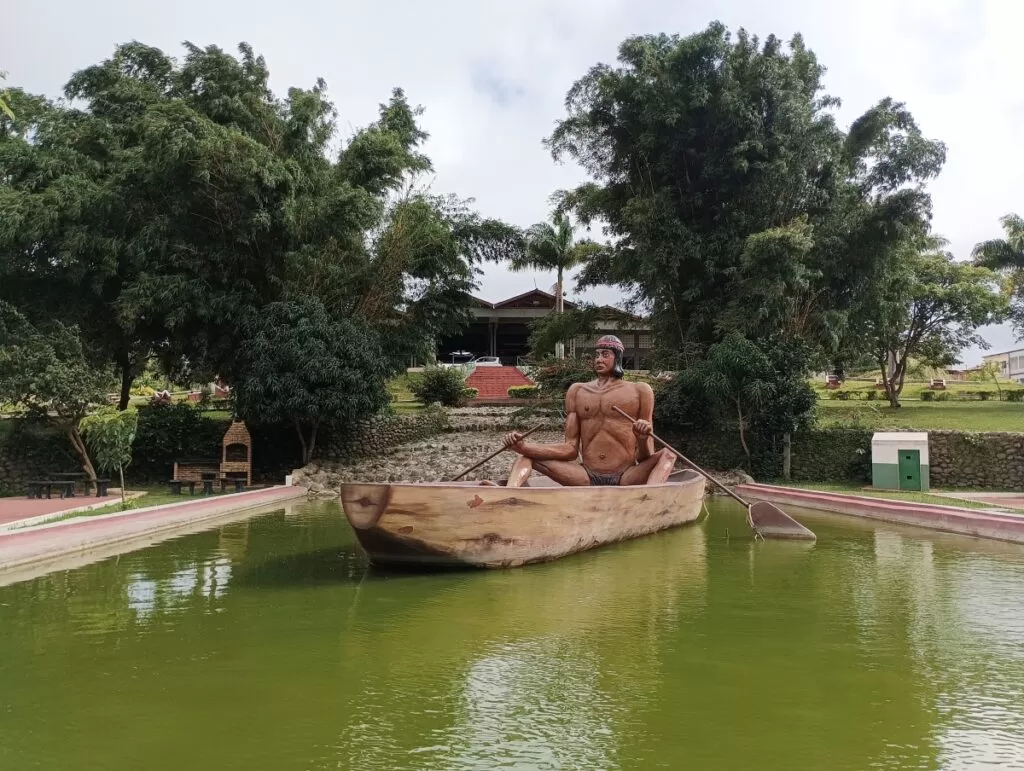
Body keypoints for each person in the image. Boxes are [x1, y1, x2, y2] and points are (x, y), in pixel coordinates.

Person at [501, 335, 676, 487]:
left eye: (605, 355)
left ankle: (651, 498)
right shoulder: (577, 391)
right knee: (525, 456)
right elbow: (570, 450)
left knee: (668, 454)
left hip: (626, 475)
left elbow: (646, 457)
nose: (599, 359)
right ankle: (507, 497)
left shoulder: (640, 391)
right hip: (586, 475)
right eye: (597, 355)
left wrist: (642, 437)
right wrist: (524, 447)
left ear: (618, 358)